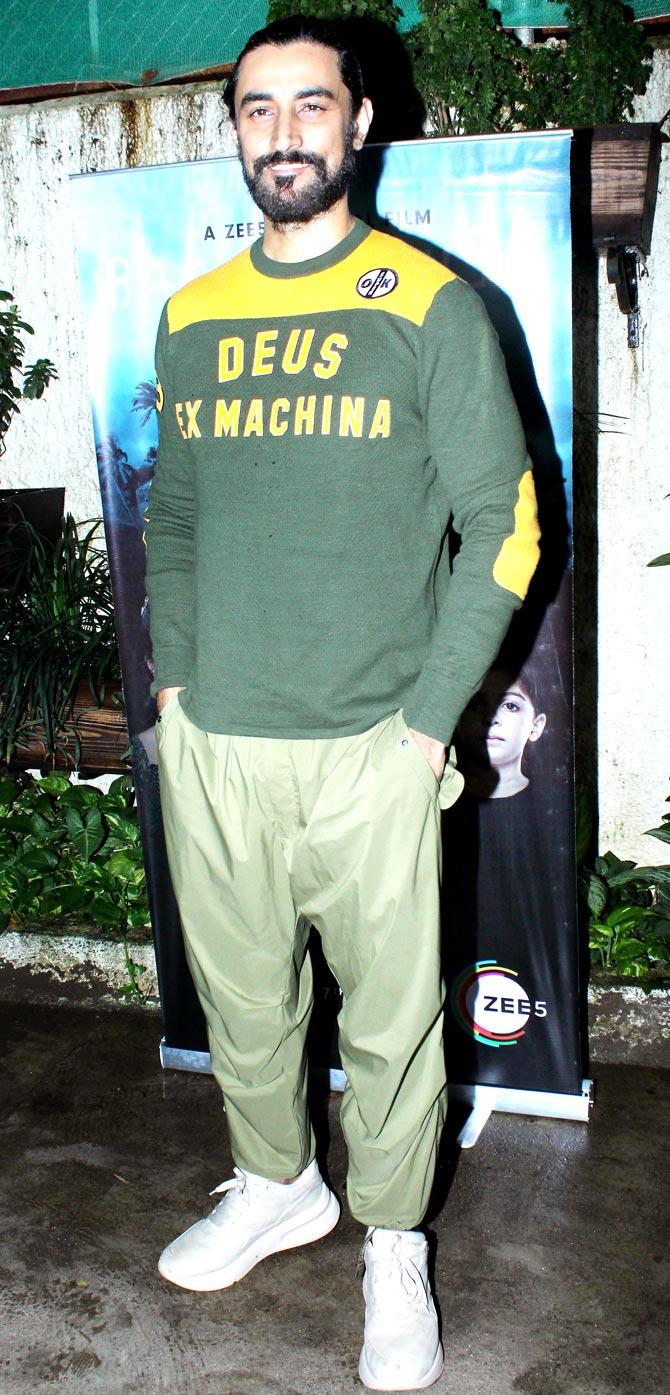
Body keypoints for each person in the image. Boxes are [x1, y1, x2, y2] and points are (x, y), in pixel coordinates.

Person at [144, 16, 540, 1391]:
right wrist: (176, 681)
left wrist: (431, 715)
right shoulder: (191, 315)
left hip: (378, 739)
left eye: (311, 106)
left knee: (387, 1021)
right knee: (245, 1005)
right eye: (258, 110)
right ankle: (274, 1182)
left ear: (360, 123)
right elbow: (176, 508)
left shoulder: (432, 304)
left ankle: (387, 1239)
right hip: (219, 738)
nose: (284, 132)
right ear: (237, 131)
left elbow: (505, 525)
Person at [456, 665, 547, 799]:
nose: (490, 718)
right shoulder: (435, 796)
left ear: (536, 726)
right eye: (477, 705)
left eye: (510, 706)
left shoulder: (553, 801)